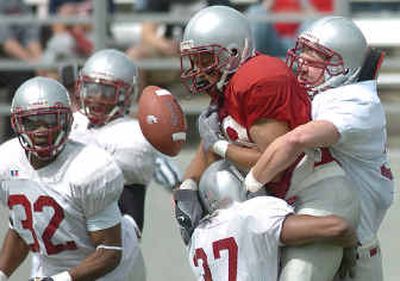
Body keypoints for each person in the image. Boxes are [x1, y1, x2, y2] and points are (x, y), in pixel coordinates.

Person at [175, 6, 358, 281]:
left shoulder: (257, 79)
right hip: (282, 206)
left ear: (234, 52)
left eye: (205, 58)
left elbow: (272, 161)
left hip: (316, 194)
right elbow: (207, 151)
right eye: (195, 59)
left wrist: (220, 147)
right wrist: (187, 188)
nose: (199, 68)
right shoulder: (227, 86)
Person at [244, 16, 394, 281]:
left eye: (316, 61)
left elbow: (296, 139)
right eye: (302, 55)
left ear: (345, 68)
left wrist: (251, 184)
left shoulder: (358, 102)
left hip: (354, 250)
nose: (302, 66)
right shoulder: (328, 95)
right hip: (321, 230)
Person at [0, 77, 142, 280]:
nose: (41, 130)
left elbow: (109, 252)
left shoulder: (89, 168)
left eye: (50, 120)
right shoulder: (6, 162)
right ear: (17, 123)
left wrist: (59, 279)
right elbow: (21, 229)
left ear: (68, 120)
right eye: (32, 121)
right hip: (53, 267)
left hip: (111, 271)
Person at [180, 160, 357, 281]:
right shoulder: (250, 214)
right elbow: (337, 228)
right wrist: (349, 244)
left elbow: (183, 195)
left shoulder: (195, 239)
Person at [70, 48, 180, 235]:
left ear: (125, 95)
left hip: (116, 229)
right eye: (91, 89)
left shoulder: (133, 134)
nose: (96, 97)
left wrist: (179, 190)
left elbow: (164, 167)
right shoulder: (72, 123)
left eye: (106, 92)